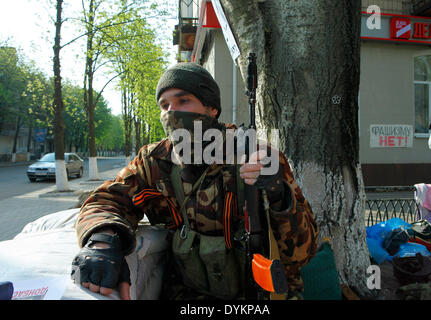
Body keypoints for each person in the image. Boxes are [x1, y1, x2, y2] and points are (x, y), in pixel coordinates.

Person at [71, 62, 318, 300]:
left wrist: (278, 196)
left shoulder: (257, 157)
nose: (171, 112)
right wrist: (103, 241)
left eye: (183, 101)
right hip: (188, 292)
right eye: (164, 105)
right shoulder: (153, 161)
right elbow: (105, 200)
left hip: (259, 292)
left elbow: (302, 255)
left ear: (212, 109)